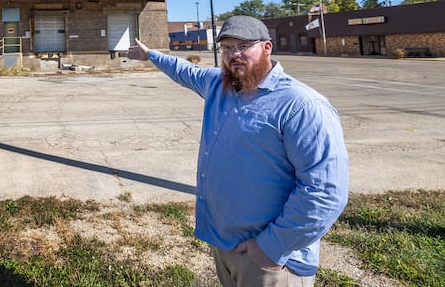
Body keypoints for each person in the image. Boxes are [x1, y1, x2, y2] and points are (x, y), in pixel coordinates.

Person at [127, 15, 349, 286]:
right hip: (226, 245)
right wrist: (150, 55)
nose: (235, 55)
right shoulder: (219, 85)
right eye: (228, 48)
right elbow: (184, 70)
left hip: (272, 262)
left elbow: (325, 190)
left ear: (267, 48)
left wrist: (269, 248)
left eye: (244, 46)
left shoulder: (301, 105)